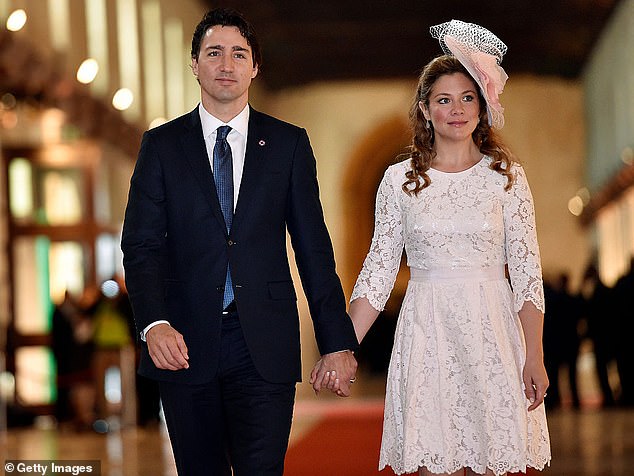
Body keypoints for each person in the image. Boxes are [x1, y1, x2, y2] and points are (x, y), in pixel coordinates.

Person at [120, 7, 358, 476]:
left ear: (255, 67)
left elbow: (313, 248)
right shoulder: (162, 146)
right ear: (195, 64)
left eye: (238, 54)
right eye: (214, 53)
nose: (226, 65)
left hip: (263, 344)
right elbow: (141, 244)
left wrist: (336, 341)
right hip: (183, 343)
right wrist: (153, 324)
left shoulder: (288, 144)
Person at [313, 20, 551, 476]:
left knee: (490, 460)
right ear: (425, 109)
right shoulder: (399, 181)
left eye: (467, 98)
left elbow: (526, 273)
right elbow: (378, 271)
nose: (457, 110)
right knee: (430, 461)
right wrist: (341, 348)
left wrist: (534, 355)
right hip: (427, 331)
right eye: (444, 99)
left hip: (492, 332)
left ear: (482, 107)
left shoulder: (508, 179)